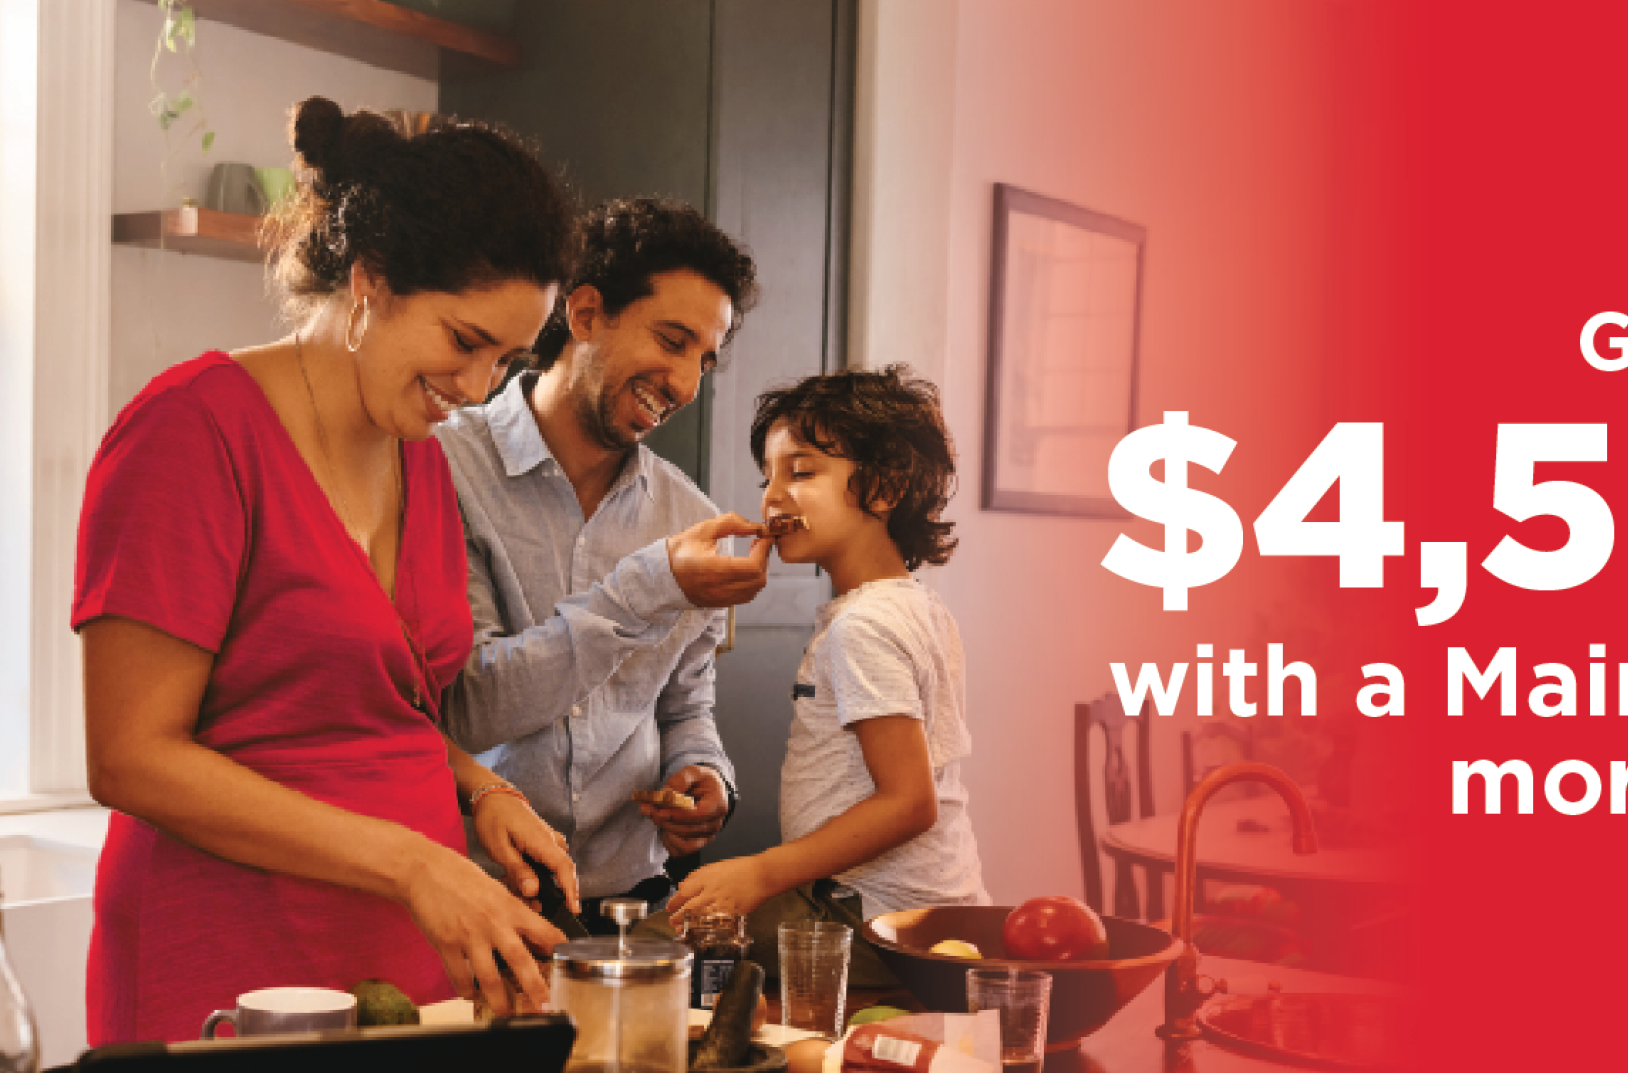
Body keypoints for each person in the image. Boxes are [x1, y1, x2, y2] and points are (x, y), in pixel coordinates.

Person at [74, 98, 581, 1044]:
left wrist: (479, 789)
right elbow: (129, 754)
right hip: (226, 956)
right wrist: (414, 864)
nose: (477, 390)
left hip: (401, 961)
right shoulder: (191, 430)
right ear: (370, 280)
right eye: (464, 341)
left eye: (507, 360)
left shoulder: (420, 456)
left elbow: (363, 709)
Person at [437, 198, 768, 936]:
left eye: (703, 360)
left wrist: (707, 779)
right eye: (672, 340)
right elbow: (469, 704)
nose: (685, 383)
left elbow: (685, 707)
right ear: (585, 313)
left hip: (630, 904)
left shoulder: (687, 515)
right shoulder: (445, 466)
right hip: (479, 900)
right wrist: (653, 586)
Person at [669, 366, 989, 986]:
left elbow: (908, 803)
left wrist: (760, 873)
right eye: (769, 476)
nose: (772, 496)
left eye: (802, 471)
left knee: (659, 956)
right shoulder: (912, 604)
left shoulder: (862, 627)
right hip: (918, 908)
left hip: (865, 915)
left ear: (885, 487)